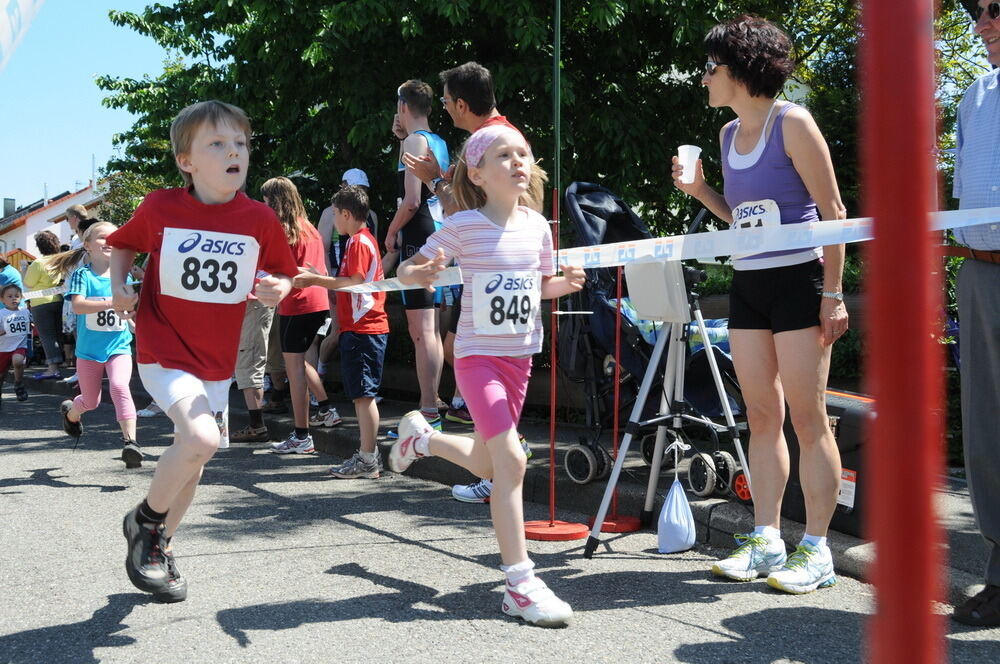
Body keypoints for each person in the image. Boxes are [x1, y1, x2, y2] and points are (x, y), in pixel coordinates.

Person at [672, 15, 849, 595]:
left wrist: (833, 293)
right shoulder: (725, 137)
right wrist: (700, 192)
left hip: (799, 283)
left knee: (807, 416)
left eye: (711, 68)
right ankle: (767, 538)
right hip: (748, 284)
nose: (704, 79)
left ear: (741, 70)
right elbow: (741, 219)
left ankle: (818, 550)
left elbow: (835, 214)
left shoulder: (792, 123)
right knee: (762, 415)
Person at [389, 124, 585, 627]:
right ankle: (519, 582)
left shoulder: (539, 226)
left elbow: (538, 287)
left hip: (519, 360)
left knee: (488, 463)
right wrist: (418, 274)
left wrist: (566, 285)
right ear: (476, 173)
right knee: (513, 462)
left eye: (523, 152)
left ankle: (424, 440)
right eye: (504, 155)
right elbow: (411, 268)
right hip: (477, 359)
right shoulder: (464, 225)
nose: (519, 161)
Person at [108, 100, 298, 603]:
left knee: (195, 457)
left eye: (241, 143)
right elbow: (123, 243)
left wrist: (277, 286)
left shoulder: (258, 218)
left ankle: (160, 544)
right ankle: (146, 523)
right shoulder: (160, 207)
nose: (234, 151)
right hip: (162, 348)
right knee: (200, 437)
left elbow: (283, 270)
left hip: (217, 361)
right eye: (217, 143)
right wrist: (120, 284)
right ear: (186, 161)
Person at [402, 62, 533, 503]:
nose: (442, 107)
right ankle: (496, 468)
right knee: (467, 354)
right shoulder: (503, 135)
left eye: (445, 101)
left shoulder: (489, 142)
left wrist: (434, 179)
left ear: (461, 104)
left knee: (467, 351)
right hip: (502, 275)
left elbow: (466, 213)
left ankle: (485, 463)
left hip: (499, 276)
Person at [949, 0, 1000, 629]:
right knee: (986, 429)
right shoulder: (974, 97)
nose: (982, 22)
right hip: (982, 270)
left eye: (994, 8)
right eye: (976, 11)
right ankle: (999, 575)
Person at [295, 185, 389, 479]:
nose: (333, 219)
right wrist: (321, 278)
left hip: (365, 328)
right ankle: (367, 457)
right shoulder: (357, 241)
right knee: (362, 395)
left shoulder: (360, 242)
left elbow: (355, 281)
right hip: (360, 327)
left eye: (335, 213)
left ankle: (368, 459)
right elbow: (351, 280)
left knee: (364, 396)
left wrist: (317, 280)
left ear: (346, 214)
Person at [384, 79, 450, 432]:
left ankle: (429, 414)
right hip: (437, 231)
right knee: (429, 331)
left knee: (422, 331)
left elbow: (411, 200)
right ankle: (431, 406)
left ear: (403, 107)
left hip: (417, 233)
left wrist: (392, 230)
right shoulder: (435, 140)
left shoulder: (414, 141)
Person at [51, 222, 142, 467]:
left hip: (119, 347)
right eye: (102, 238)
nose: (109, 242)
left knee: (120, 386)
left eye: (114, 238)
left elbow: (132, 310)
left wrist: (133, 321)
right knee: (91, 402)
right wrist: (111, 302)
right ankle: (71, 413)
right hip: (89, 352)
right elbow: (79, 306)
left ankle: (130, 443)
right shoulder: (84, 275)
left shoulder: (126, 276)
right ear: (88, 246)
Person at [261, 176, 339, 455]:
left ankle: (302, 435)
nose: (263, 204)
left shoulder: (283, 231)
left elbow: (276, 270)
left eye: (266, 200)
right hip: (318, 303)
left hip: (295, 303)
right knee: (303, 364)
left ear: (276, 201)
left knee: (294, 370)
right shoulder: (310, 229)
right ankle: (325, 409)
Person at [24, 230, 65, 379]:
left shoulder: (38, 263)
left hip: (41, 302)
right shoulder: (59, 260)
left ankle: (52, 368)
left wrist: (24, 270)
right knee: (57, 333)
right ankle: (59, 366)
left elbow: (28, 283)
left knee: (46, 335)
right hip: (57, 299)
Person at [0, 284, 30, 406]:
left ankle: (18, 384)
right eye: (10, 296)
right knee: (1, 376)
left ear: (21, 297)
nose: (14, 299)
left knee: (18, 361)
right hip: (3, 347)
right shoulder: (1, 314)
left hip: (19, 345)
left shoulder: (25, 311)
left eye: (17, 296)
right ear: (2, 299)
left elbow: (31, 323)